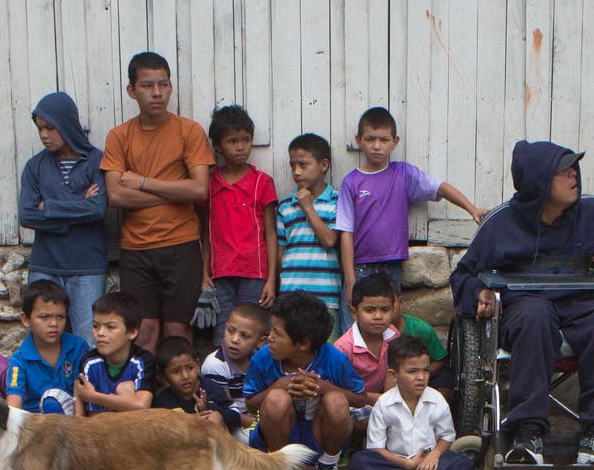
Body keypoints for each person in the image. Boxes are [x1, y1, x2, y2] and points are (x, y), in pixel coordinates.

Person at [450, 140, 594, 466]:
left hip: (579, 300)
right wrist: (480, 293)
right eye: (564, 171)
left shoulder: (590, 213)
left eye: (574, 168)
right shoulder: (501, 223)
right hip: (525, 303)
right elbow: (463, 275)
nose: (574, 175)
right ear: (539, 181)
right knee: (534, 319)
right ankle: (527, 431)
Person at [98, 52, 214, 353]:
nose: (157, 93)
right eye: (147, 86)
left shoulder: (189, 131)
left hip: (181, 244)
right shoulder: (119, 136)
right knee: (143, 331)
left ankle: (182, 386)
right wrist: (174, 192)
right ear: (132, 91)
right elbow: (116, 196)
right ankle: (145, 385)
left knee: (178, 329)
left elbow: (199, 189)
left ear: (171, 87)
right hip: (136, 248)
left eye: (163, 84)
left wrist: (143, 182)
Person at [335, 106, 485, 327]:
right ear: (359, 140)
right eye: (370, 139)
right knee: (353, 327)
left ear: (395, 141)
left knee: (387, 326)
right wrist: (350, 280)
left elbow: (440, 187)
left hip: (392, 266)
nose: (377, 146)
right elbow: (346, 232)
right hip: (360, 267)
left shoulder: (403, 174)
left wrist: (471, 208)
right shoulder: (351, 182)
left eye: (384, 140)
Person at [244, 291, 365, 470]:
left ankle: (327, 464)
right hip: (281, 435)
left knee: (336, 400)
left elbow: (360, 398)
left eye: (277, 333)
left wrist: (323, 387)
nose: (269, 337)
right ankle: (278, 466)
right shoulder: (263, 358)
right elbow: (251, 404)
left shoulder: (334, 359)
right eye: (271, 330)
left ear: (303, 344)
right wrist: (279, 385)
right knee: (276, 398)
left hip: (320, 434)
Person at [19, 91, 108, 341]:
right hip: (45, 264)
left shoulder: (96, 161)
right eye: (40, 128)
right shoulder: (35, 166)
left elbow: (98, 209)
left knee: (87, 339)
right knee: (43, 339)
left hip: (87, 266)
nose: (43, 135)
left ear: (66, 124)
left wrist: (47, 207)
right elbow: (26, 215)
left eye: (50, 128)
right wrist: (77, 209)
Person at [349, 337, 471, 470]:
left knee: (462, 462)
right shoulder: (384, 404)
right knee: (359, 461)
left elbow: (447, 436)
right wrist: (407, 464)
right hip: (396, 462)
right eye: (412, 371)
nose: (421, 377)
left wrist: (434, 455)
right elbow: (376, 448)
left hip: (429, 462)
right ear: (394, 375)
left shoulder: (437, 399)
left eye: (425, 371)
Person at [204, 104, 278, 324]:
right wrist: (204, 273)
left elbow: (271, 233)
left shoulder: (262, 182)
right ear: (218, 146)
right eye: (232, 141)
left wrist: (271, 279)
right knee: (223, 332)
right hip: (220, 274)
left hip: (255, 273)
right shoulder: (209, 184)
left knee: (254, 331)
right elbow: (205, 232)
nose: (240, 147)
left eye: (246, 140)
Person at [275, 133, 342, 323]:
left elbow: (329, 240)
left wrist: (308, 207)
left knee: (326, 341)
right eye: (292, 165)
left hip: (325, 297)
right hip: (291, 296)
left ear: (324, 165)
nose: (296, 171)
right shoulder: (285, 206)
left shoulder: (337, 201)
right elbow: (281, 252)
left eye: (303, 165)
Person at [6, 279, 93, 414]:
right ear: (26, 319)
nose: (54, 323)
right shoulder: (19, 360)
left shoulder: (77, 347)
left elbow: (79, 393)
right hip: (37, 421)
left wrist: (78, 426)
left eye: (60, 317)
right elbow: (14, 402)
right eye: (45, 317)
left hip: (73, 420)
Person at [76, 291, 154, 415]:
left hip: (135, 425)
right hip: (101, 425)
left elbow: (142, 405)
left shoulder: (142, 360)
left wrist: (94, 396)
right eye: (95, 326)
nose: (100, 333)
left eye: (111, 327)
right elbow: (93, 418)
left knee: (125, 388)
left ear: (132, 332)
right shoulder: (90, 362)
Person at [201, 301, 269, 438]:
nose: (235, 340)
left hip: (254, 418)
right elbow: (226, 412)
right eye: (231, 331)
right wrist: (261, 425)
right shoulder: (216, 364)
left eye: (245, 336)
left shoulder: (260, 359)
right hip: (231, 426)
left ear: (260, 341)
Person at [333, 273, 400, 409]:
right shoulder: (343, 348)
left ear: (393, 310)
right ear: (354, 313)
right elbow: (334, 392)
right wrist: (371, 398)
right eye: (369, 310)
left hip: (385, 402)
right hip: (351, 407)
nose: (378, 316)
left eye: (385, 310)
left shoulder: (393, 335)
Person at [151, 335, 235, 431]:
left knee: (214, 417)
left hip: (214, 438)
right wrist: (190, 422)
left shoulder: (210, 389)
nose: (185, 376)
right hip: (183, 439)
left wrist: (208, 407)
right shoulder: (162, 402)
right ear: (163, 377)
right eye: (176, 372)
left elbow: (234, 416)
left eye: (190, 368)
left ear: (198, 365)